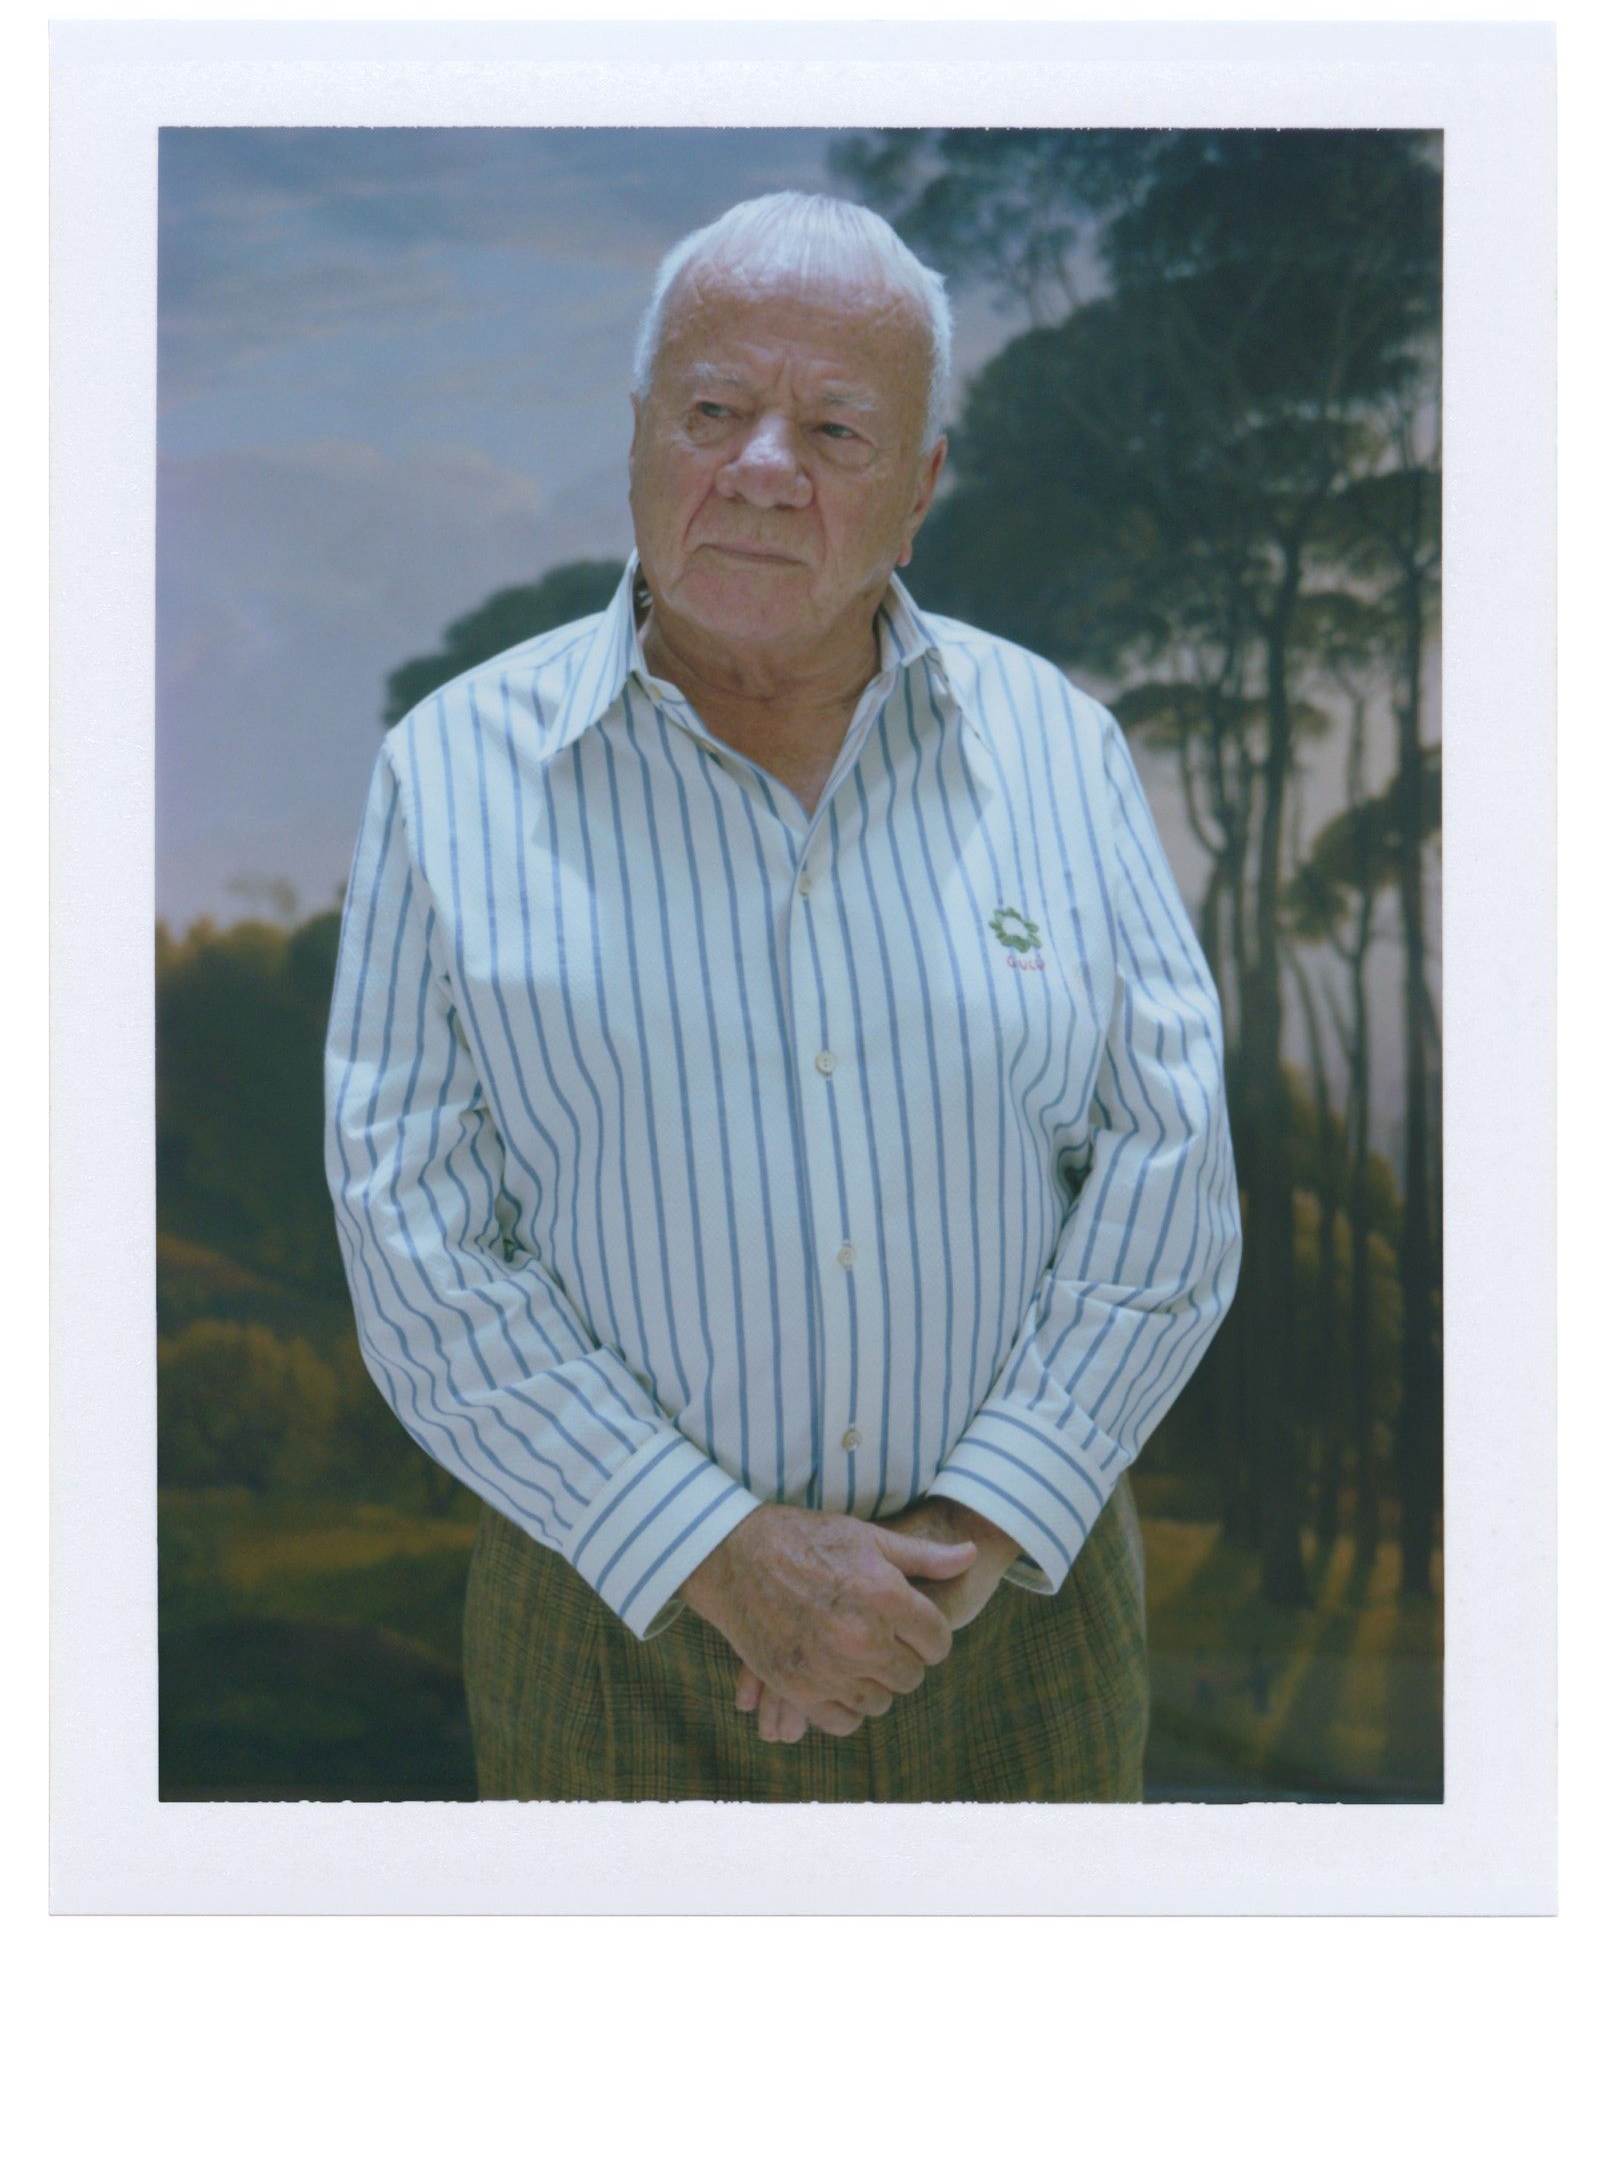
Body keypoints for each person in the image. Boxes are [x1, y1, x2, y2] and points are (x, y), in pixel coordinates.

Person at [324, 190, 1242, 1803]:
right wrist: (711, 1548)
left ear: (919, 489)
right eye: (713, 411)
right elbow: (415, 1236)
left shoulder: (1059, 745)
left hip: (1018, 1621)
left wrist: (968, 1535)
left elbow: (1170, 1168)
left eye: (834, 428)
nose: (762, 466)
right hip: (607, 1618)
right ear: (637, 437)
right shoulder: (447, 773)